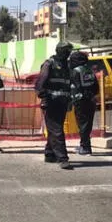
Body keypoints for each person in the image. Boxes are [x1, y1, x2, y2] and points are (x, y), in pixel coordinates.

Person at [35, 42, 74, 170]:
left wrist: (70, 101)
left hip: (62, 102)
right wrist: (45, 98)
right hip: (51, 102)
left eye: (69, 51)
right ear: (60, 51)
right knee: (57, 130)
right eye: (66, 51)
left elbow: (69, 85)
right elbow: (40, 84)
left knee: (54, 129)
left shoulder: (67, 65)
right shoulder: (49, 64)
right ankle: (63, 158)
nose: (68, 53)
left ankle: (50, 154)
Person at [69, 51, 100, 155]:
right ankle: (84, 145)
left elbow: (74, 86)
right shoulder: (89, 69)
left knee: (82, 124)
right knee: (87, 124)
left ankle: (85, 148)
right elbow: (96, 86)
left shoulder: (75, 71)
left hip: (81, 100)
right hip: (91, 100)